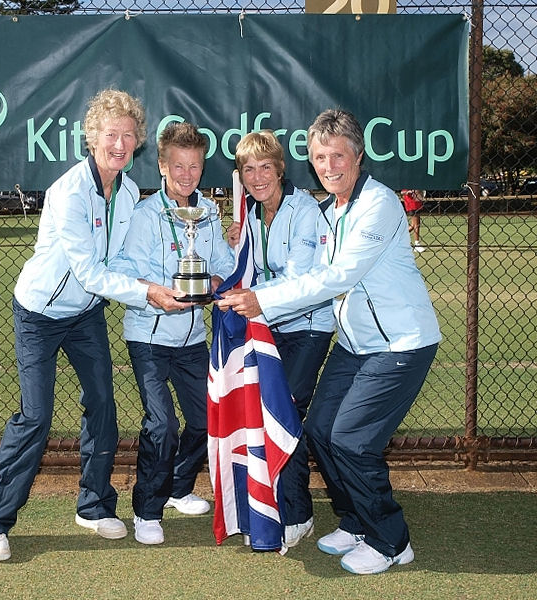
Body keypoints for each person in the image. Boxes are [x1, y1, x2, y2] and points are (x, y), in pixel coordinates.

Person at [216, 109, 441, 575]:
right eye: (320, 157)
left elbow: (337, 276)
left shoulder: (378, 204)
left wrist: (263, 301)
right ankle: (356, 521)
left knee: (353, 440)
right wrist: (243, 241)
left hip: (401, 344)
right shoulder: (329, 210)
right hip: (356, 345)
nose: (329, 165)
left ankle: (391, 540)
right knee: (319, 430)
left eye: (337, 155)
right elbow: (301, 266)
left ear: (357, 155)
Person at [0, 89, 189, 562]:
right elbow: (91, 271)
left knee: (102, 404)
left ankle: (93, 506)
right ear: (92, 138)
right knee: (36, 417)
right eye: (111, 134)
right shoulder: (68, 192)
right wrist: (149, 292)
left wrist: (205, 240)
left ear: (137, 144)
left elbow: (129, 256)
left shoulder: (130, 191)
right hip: (39, 313)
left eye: (129, 136)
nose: (120, 144)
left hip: (86, 314)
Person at [117, 122, 234, 545]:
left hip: (192, 339)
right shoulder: (146, 215)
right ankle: (147, 510)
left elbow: (221, 261)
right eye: (179, 166)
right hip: (148, 335)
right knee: (162, 424)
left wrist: (213, 281)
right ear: (163, 167)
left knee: (205, 419)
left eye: (195, 167)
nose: (187, 175)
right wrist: (162, 291)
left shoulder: (207, 213)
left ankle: (178, 488)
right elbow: (128, 271)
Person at [225, 131, 334, 549]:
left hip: (308, 326)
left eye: (264, 167)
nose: (256, 177)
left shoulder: (304, 209)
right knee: (268, 412)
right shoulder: (251, 212)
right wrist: (233, 243)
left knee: (284, 411)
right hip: (270, 327)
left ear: (280, 168)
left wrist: (252, 301)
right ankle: (277, 505)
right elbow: (250, 271)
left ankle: (298, 513)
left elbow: (300, 279)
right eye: (248, 169)